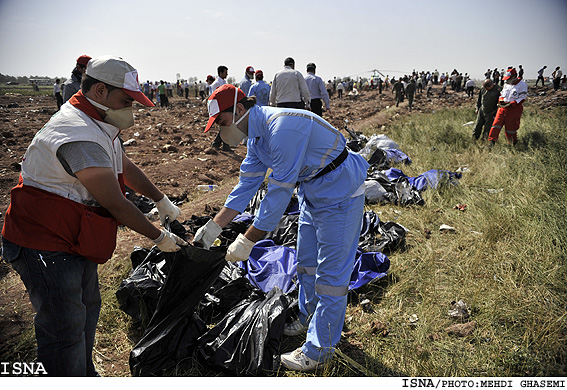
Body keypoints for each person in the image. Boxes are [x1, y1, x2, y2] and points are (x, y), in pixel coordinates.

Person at [0, 55, 187, 377]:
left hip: (72, 233)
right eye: (126, 100)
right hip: (44, 241)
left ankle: (83, 373)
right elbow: (115, 202)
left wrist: (160, 198)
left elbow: (123, 165)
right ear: (100, 90)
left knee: (86, 308)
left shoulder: (98, 121)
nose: (130, 107)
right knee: (64, 326)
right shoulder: (78, 134)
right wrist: (159, 236)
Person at [193, 84, 368, 372]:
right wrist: (214, 227)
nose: (221, 131)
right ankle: (307, 317)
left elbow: (278, 193)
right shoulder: (256, 139)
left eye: (222, 122)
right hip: (313, 191)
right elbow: (245, 185)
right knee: (306, 263)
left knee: (331, 277)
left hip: (340, 192)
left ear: (238, 110)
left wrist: (248, 240)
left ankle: (320, 350)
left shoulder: (283, 129)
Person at [488, 67, 528, 146]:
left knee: (511, 128)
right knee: (496, 125)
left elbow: (522, 98)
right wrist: (501, 100)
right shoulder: (506, 84)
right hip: (502, 108)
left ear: (514, 77)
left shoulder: (522, 85)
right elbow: (502, 94)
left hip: (514, 110)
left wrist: (512, 103)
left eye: (509, 78)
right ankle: (491, 143)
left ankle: (513, 144)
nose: (507, 80)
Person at [210, 66, 231, 150]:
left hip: (225, 106)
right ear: (221, 73)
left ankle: (220, 145)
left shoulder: (224, 82)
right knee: (225, 126)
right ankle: (220, 145)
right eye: (225, 72)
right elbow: (215, 97)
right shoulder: (216, 84)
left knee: (225, 126)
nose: (227, 74)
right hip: (220, 107)